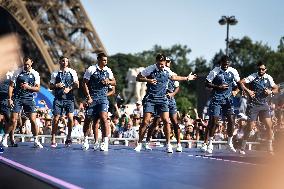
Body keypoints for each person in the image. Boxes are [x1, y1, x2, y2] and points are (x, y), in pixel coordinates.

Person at [134, 53, 196, 153]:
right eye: (159, 64)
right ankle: (140, 144)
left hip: (162, 100)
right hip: (151, 99)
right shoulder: (150, 69)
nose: (161, 66)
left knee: (167, 121)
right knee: (145, 122)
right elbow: (138, 78)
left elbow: (175, 78)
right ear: (156, 62)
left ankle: (168, 145)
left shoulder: (167, 70)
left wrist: (187, 78)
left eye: (162, 64)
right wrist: (148, 80)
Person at [202, 55, 242, 154]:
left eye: (227, 64)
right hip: (217, 99)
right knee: (214, 122)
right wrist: (218, 86)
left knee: (232, 121)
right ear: (220, 63)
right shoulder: (215, 71)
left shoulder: (233, 71)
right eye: (224, 64)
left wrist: (237, 91)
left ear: (229, 64)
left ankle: (229, 143)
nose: (225, 66)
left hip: (228, 100)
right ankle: (210, 144)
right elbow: (206, 83)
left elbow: (239, 84)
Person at [1, 56, 43, 148]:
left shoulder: (35, 74)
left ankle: (36, 140)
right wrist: (9, 99)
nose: (26, 66)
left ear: (31, 63)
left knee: (33, 120)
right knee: (13, 120)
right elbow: (11, 86)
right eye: (25, 64)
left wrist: (28, 87)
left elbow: (37, 88)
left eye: (28, 64)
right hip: (17, 98)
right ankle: (4, 138)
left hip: (28, 98)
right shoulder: (17, 72)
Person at [239, 60, 279, 155]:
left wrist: (271, 92)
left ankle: (270, 148)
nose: (261, 71)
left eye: (262, 69)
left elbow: (276, 88)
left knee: (269, 126)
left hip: (264, 105)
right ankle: (242, 147)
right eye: (259, 69)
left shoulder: (268, 77)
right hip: (253, 105)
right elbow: (241, 82)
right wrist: (248, 90)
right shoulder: (253, 76)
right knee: (250, 127)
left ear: (266, 69)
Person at [145, 57, 183, 152]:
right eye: (166, 62)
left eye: (168, 62)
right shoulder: (157, 71)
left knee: (174, 121)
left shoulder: (171, 73)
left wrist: (172, 94)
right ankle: (147, 141)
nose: (167, 63)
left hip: (170, 100)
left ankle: (178, 144)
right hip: (160, 99)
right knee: (156, 122)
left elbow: (177, 87)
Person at [82, 52, 116, 152]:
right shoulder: (91, 69)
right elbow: (84, 83)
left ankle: (105, 142)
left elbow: (114, 82)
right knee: (88, 120)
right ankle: (85, 139)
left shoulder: (108, 70)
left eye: (106, 60)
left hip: (103, 98)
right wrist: (88, 97)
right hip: (92, 97)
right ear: (99, 60)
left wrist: (108, 82)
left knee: (104, 117)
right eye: (104, 60)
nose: (106, 62)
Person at [49, 56, 79, 147]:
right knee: (56, 118)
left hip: (69, 98)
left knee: (70, 118)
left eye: (66, 61)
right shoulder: (55, 73)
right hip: (58, 98)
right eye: (63, 61)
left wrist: (69, 88)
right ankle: (53, 139)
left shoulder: (72, 72)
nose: (65, 62)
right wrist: (56, 85)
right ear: (60, 62)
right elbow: (50, 86)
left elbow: (77, 84)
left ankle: (69, 137)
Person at [0, 70, 18, 147]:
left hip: (7, 99)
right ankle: (8, 138)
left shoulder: (13, 73)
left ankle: (10, 138)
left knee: (10, 120)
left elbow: (15, 86)